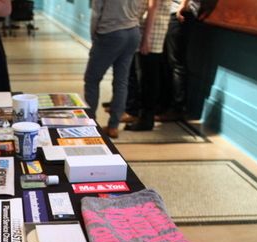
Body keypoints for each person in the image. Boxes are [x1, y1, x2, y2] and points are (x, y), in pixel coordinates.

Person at [84, 0, 152, 139]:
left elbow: (97, 12)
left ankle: (90, 124)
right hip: (133, 32)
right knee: (121, 80)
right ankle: (113, 126)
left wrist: (94, 37)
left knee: (92, 79)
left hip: (110, 32)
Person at [125, 0, 171, 131]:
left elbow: (153, 6)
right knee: (147, 76)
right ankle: (144, 116)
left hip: (151, 31)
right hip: (149, 29)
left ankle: (146, 119)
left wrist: (146, 38)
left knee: (148, 77)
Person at [159, 0, 201, 122]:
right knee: (168, 61)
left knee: (176, 62)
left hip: (182, 11)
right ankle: (166, 105)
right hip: (173, 10)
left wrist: (184, 5)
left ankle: (177, 108)